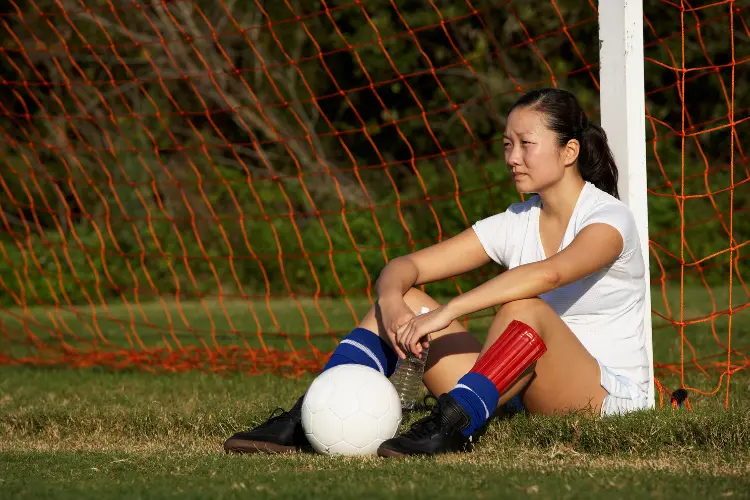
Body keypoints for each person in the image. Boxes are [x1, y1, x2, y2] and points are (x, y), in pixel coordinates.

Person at [223, 88, 651, 457]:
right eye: (507, 144)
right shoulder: (517, 220)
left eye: (526, 143)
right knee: (407, 297)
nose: (512, 157)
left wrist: (448, 310)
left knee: (525, 309)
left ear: (569, 151)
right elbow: (406, 266)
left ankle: (453, 428)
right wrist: (392, 303)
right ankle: (306, 416)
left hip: (604, 396)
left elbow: (551, 274)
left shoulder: (610, 220)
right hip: (520, 386)